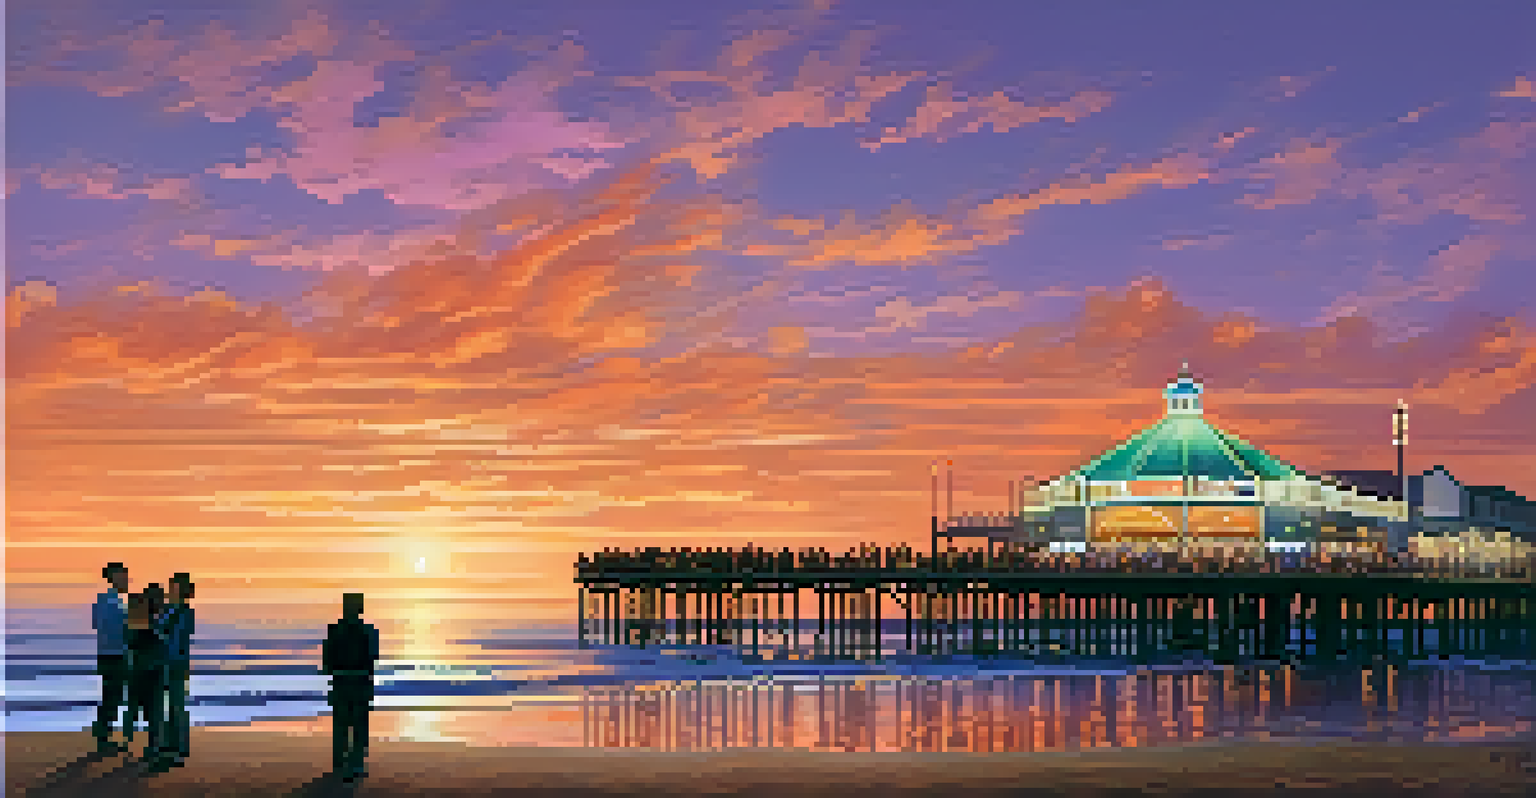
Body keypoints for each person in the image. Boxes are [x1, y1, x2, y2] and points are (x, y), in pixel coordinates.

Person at [322, 592, 380, 782]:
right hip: (360, 680)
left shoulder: (334, 629)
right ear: (360, 609)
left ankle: (340, 762)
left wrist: (333, 671)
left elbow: (327, 659)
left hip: (341, 680)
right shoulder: (368, 630)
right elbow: (373, 657)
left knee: (341, 723)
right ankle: (356, 762)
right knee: (359, 723)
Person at [126, 584, 169, 769]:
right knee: (153, 711)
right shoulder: (149, 622)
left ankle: (151, 747)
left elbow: (132, 644)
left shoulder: (140, 621)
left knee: (148, 711)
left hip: (142, 670)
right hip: (150, 670)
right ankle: (153, 748)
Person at [91, 563, 132, 755]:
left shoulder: (106, 601)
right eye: (123, 576)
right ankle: (103, 738)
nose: (126, 580)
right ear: (114, 577)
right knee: (112, 696)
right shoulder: (112, 602)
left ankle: (103, 737)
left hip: (108, 654)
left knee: (110, 696)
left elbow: (98, 626)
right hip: (115, 655)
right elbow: (121, 630)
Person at [157, 573, 196, 767]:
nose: (170, 590)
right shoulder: (170, 610)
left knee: (176, 706)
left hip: (176, 663)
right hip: (166, 662)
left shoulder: (184, 611)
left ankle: (178, 748)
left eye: (174, 587)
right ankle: (169, 746)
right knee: (168, 706)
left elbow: (169, 634)